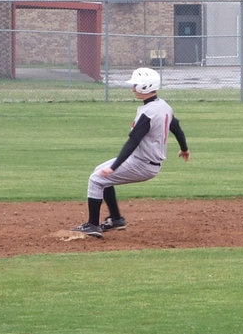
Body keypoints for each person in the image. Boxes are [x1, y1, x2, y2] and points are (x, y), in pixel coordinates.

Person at [73, 68, 190, 238]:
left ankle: (92, 225)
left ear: (145, 87)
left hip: (142, 164)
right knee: (100, 172)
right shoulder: (163, 106)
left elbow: (132, 142)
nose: (133, 88)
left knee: (96, 179)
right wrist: (184, 148)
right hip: (145, 161)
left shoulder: (148, 113)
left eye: (135, 85)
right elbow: (176, 127)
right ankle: (116, 219)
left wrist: (114, 167)